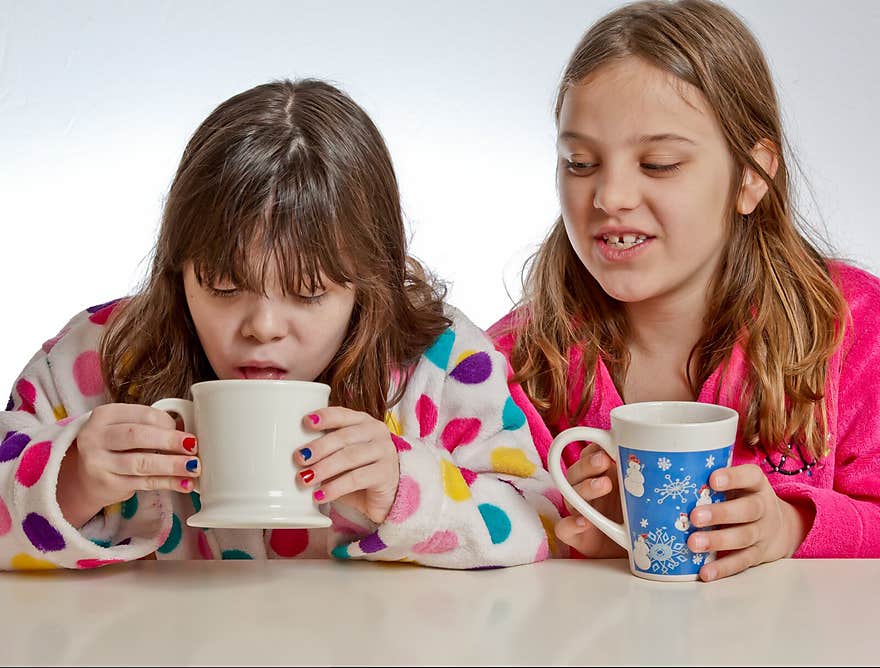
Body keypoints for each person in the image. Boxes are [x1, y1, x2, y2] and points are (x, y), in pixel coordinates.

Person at [0, 78, 563, 571]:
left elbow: (539, 523)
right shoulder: (96, 358)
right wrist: (70, 479)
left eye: (310, 292)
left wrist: (402, 485)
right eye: (223, 287)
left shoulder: (442, 365)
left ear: (370, 283)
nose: (263, 326)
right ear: (178, 274)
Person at [490, 0, 880, 581]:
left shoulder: (851, 327)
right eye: (579, 162)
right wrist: (561, 528)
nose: (609, 196)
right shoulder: (508, 362)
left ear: (752, 174)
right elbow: (456, 517)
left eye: (659, 163)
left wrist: (793, 525)